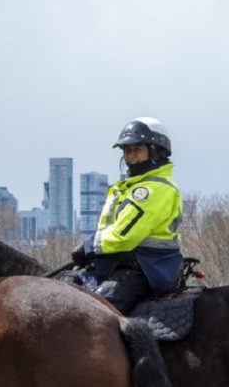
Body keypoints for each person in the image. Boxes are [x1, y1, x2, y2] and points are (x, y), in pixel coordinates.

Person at [71, 117, 183, 314]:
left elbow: (124, 237)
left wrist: (90, 246)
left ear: (156, 151)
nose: (130, 156)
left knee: (92, 315)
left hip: (147, 270)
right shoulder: (129, 187)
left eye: (137, 149)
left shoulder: (153, 189)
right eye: (127, 150)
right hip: (120, 265)